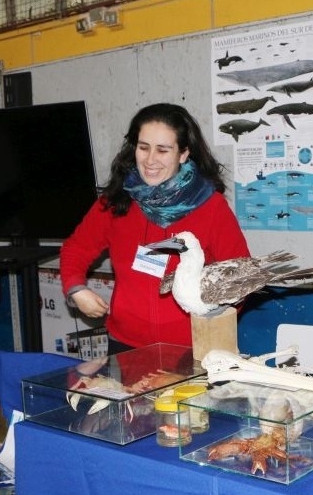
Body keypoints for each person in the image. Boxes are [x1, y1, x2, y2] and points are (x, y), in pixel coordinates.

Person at [61, 103, 250, 354]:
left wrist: (212, 314)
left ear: (183, 154)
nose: (150, 160)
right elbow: (76, 248)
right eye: (143, 147)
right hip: (126, 346)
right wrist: (76, 289)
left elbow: (241, 277)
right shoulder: (116, 200)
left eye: (163, 150)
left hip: (195, 347)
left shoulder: (211, 206)